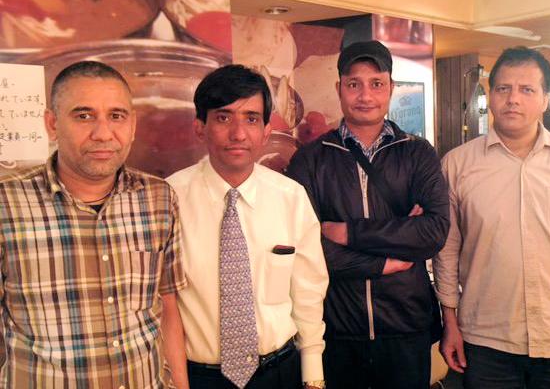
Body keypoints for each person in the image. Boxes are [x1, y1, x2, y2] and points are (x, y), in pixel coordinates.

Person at [434, 46, 550, 389]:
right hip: (486, 340)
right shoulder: (457, 165)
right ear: (490, 95)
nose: (513, 99)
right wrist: (450, 321)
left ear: (546, 99)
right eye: (503, 88)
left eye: (527, 90)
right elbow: (446, 251)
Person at [0, 61, 187, 387]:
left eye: (116, 116)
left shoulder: (158, 198)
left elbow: (167, 304)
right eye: (84, 116)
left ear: (132, 125)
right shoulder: (7, 204)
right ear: (52, 124)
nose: (103, 134)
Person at [286, 40, 450, 389]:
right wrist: (384, 262)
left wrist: (348, 233)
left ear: (391, 88)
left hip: (406, 327)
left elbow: (433, 231)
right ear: (339, 89)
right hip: (338, 329)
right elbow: (307, 248)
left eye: (376, 84)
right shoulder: (310, 159)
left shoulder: (417, 153)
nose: (365, 95)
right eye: (354, 84)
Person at [166, 64, 328, 389]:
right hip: (200, 378)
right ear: (200, 128)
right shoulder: (169, 200)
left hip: (280, 373)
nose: (238, 134)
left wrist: (313, 376)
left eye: (251, 119)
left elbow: (308, 292)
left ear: (266, 131)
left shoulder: (291, 197)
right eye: (223, 118)